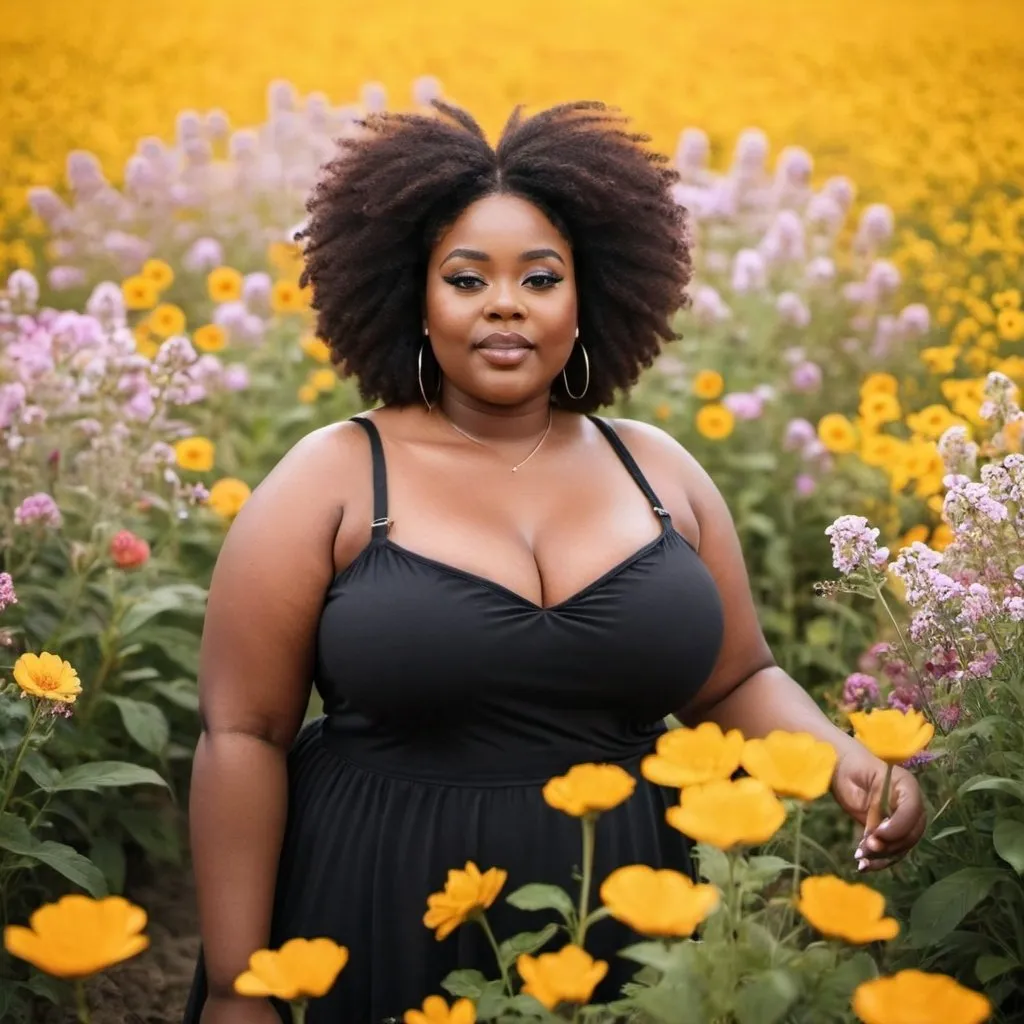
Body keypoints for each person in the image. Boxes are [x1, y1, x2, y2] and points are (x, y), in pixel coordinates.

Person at [184, 100, 925, 1024]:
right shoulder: (332, 477)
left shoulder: (658, 470)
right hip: (380, 908)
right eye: (466, 278)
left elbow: (736, 677)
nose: (505, 302)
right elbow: (241, 736)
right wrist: (233, 985)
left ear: (590, 296)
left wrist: (847, 759)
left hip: (636, 918)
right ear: (413, 295)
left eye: (540, 277)